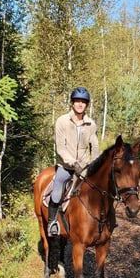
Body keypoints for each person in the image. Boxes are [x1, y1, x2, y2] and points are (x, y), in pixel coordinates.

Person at [47, 86, 100, 236]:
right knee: (57, 190)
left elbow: (94, 145)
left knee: (100, 189)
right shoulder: (62, 121)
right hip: (66, 167)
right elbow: (60, 148)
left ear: (87, 105)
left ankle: (103, 220)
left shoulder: (91, 124)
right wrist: (72, 163)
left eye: (83, 102)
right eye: (77, 101)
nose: (80, 104)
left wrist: (94, 164)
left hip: (84, 167)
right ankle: (52, 223)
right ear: (72, 103)